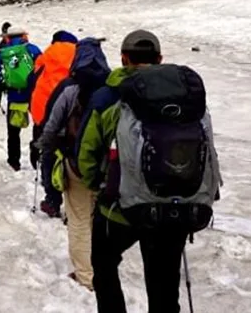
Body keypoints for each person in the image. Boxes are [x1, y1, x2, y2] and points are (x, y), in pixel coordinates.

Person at [77, 29, 222, 313]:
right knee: (164, 283)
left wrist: (100, 185)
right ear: (159, 59)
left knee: (104, 265)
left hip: (118, 210)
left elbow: (86, 155)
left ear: (123, 59)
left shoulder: (107, 97)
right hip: (174, 209)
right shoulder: (186, 99)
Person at [35, 36, 111, 291]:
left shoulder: (71, 88)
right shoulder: (113, 90)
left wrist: (44, 147)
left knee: (78, 219)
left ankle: (86, 276)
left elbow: (52, 124)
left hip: (76, 163)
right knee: (98, 217)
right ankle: (102, 268)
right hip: (108, 167)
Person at [31, 30, 78, 218]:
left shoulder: (47, 54)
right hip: (74, 113)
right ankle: (74, 204)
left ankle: (52, 200)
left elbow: (32, 80)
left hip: (46, 110)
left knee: (49, 153)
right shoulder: (80, 54)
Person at [0, 25, 42, 171]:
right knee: (39, 127)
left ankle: (14, 161)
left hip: (14, 96)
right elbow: (44, 71)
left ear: (7, 38)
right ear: (24, 35)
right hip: (33, 96)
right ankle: (36, 155)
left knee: (13, 132)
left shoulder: (4, 53)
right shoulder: (33, 50)